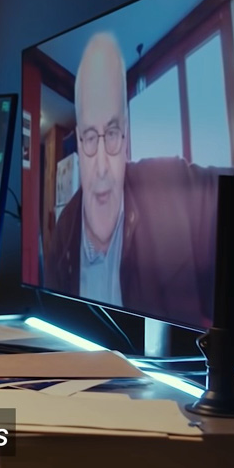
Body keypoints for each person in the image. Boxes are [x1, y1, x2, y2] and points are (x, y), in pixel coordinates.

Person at [43, 32, 223, 328]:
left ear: (126, 137)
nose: (102, 166)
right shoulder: (62, 235)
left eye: (112, 133)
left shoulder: (173, 187)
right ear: (78, 141)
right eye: (90, 137)